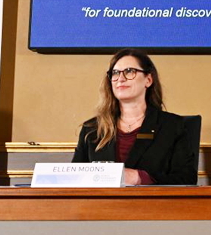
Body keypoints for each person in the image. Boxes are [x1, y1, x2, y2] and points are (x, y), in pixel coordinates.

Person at [72, 49, 197, 185]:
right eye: (115, 73)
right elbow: (74, 180)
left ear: (148, 80)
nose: (120, 78)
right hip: (101, 205)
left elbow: (187, 179)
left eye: (129, 71)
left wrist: (139, 178)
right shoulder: (91, 129)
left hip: (153, 205)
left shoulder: (172, 126)